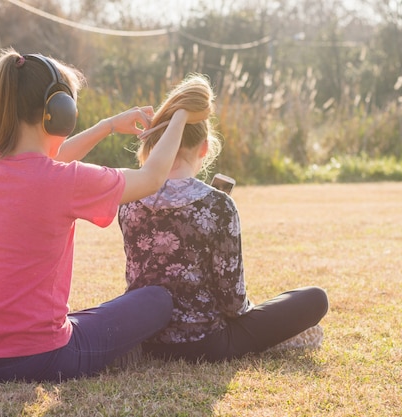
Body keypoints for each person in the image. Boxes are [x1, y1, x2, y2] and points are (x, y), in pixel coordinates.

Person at [0, 48, 209, 383]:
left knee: (87, 317)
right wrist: (180, 117)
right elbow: (151, 178)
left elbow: (42, 167)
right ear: (58, 111)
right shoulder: (63, 181)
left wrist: (109, 126)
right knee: (156, 300)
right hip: (37, 359)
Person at [118, 74, 329, 362]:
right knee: (315, 298)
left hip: (147, 339)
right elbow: (233, 304)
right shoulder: (218, 205)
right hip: (207, 343)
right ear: (204, 148)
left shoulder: (129, 198)